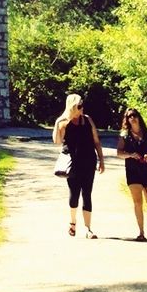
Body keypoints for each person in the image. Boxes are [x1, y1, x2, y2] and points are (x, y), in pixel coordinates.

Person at [52, 92, 105, 239]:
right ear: (72, 107)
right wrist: (58, 123)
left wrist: (101, 160)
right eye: (79, 106)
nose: (82, 108)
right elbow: (57, 141)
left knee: (87, 194)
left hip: (88, 161)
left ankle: (88, 228)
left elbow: (96, 141)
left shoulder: (87, 120)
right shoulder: (64, 123)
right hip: (72, 163)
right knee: (74, 194)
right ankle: (73, 222)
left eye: (82, 105)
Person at [117, 107, 147, 240]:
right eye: (129, 116)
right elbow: (119, 153)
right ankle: (141, 232)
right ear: (127, 120)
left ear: (139, 117)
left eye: (134, 115)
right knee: (137, 203)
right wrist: (131, 155)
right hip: (133, 171)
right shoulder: (124, 136)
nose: (132, 118)